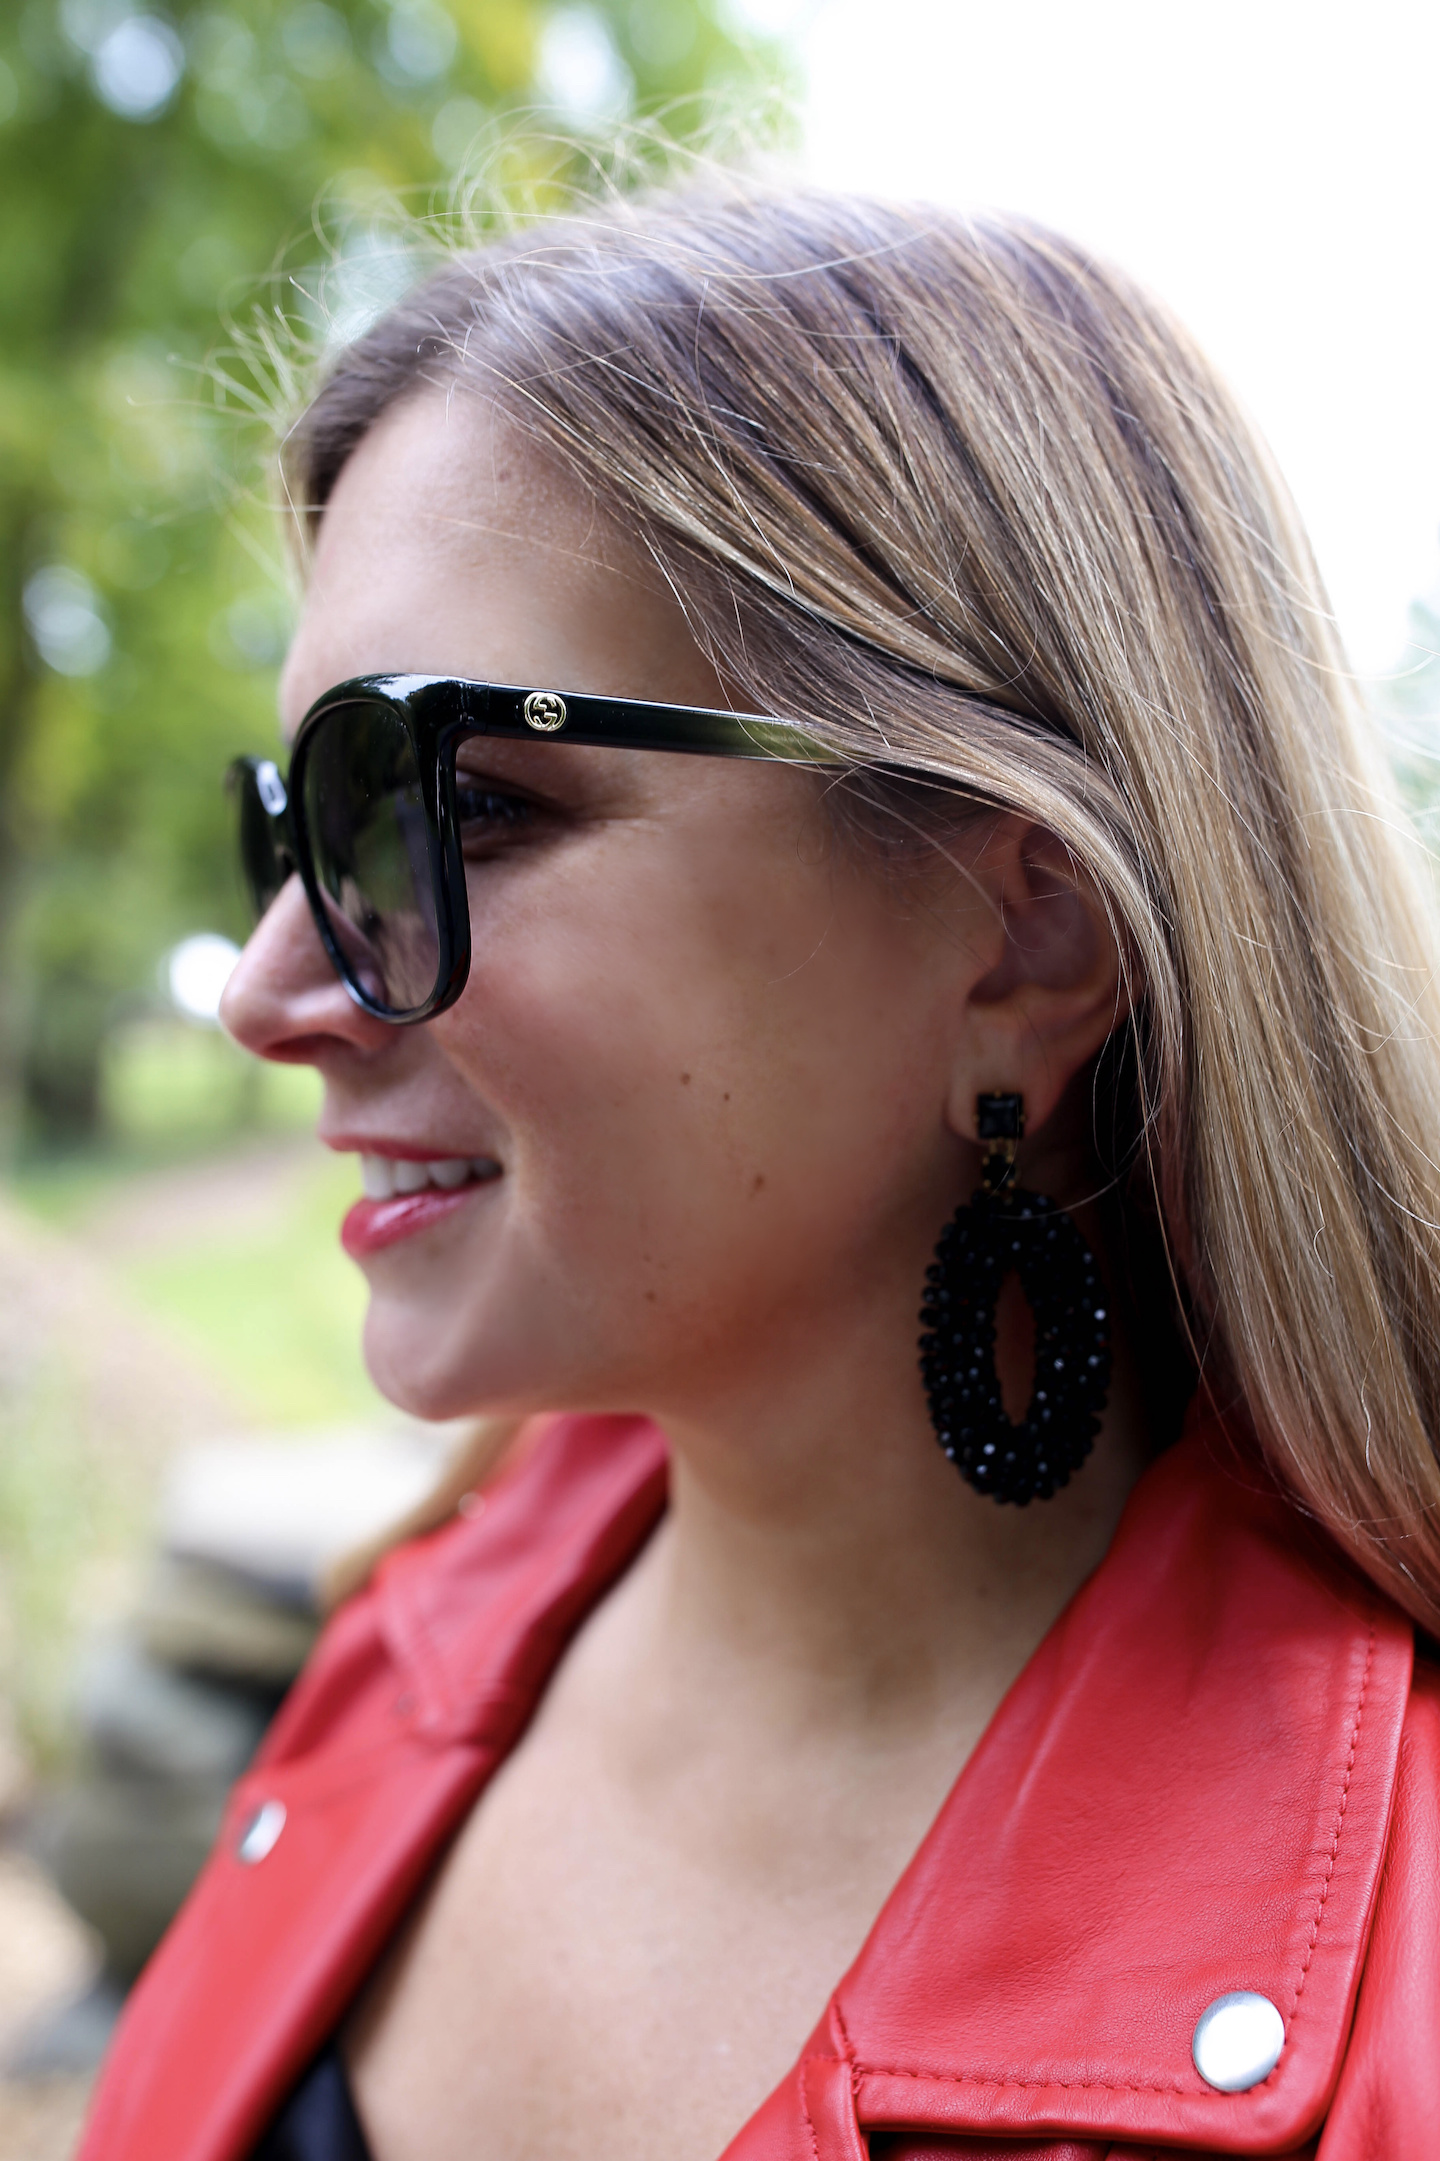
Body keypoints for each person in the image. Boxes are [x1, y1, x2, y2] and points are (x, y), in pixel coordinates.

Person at [79, 183, 1440, 2161]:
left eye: (449, 807)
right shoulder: (428, 1623)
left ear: (1025, 940)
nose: (278, 990)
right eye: (301, 823)